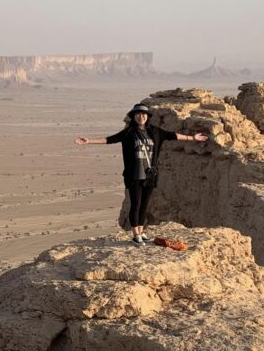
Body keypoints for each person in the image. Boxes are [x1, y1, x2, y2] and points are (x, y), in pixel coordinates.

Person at [75, 104, 207, 246]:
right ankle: (135, 234)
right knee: (136, 204)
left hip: (150, 175)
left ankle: (141, 231)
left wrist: (192, 137)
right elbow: (110, 139)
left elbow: (173, 136)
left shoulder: (155, 132)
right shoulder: (129, 132)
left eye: (143, 114)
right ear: (133, 117)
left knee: (144, 204)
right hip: (134, 175)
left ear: (148, 117)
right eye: (137, 114)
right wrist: (89, 141)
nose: (141, 117)